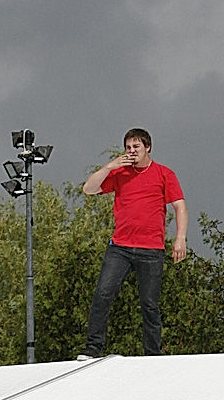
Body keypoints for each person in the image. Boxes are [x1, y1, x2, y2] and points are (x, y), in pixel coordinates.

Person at [78, 128, 187, 357]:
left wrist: (180, 239)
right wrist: (110, 167)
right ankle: (92, 349)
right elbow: (88, 189)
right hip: (120, 248)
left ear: (147, 147)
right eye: (128, 147)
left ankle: (153, 355)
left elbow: (179, 206)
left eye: (136, 147)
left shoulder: (164, 174)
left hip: (151, 249)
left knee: (150, 304)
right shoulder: (120, 174)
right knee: (103, 294)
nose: (132, 151)